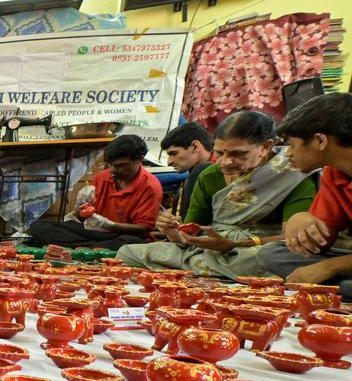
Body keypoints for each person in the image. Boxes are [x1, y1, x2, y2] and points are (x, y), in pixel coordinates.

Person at [118, 111, 317, 280]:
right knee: (127, 252)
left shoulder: (293, 174)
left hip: (252, 250)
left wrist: (235, 244)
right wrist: (173, 232)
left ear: (265, 146)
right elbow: (191, 233)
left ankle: (207, 271)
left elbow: (291, 239)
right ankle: (215, 272)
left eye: (238, 154)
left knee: (270, 257)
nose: (225, 162)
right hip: (208, 250)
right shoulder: (210, 175)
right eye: (220, 153)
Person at [257, 93, 352, 297]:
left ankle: (339, 286)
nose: (288, 153)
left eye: (292, 144)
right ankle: (341, 287)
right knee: (272, 254)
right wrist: (301, 221)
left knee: (338, 281)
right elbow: (322, 242)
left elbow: (326, 262)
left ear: (319, 140)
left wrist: (328, 268)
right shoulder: (334, 173)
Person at [27, 135, 163, 249]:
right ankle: (94, 248)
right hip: (94, 233)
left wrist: (111, 225)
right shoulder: (102, 177)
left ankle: (85, 247)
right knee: (38, 226)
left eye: (120, 166)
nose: (112, 170)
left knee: (133, 242)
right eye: (110, 165)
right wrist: (77, 212)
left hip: (121, 236)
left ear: (139, 159)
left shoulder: (150, 186)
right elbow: (86, 217)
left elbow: (144, 229)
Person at [158, 122, 213, 223]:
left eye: (174, 153)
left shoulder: (204, 171)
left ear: (195, 147)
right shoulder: (193, 173)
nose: (169, 162)